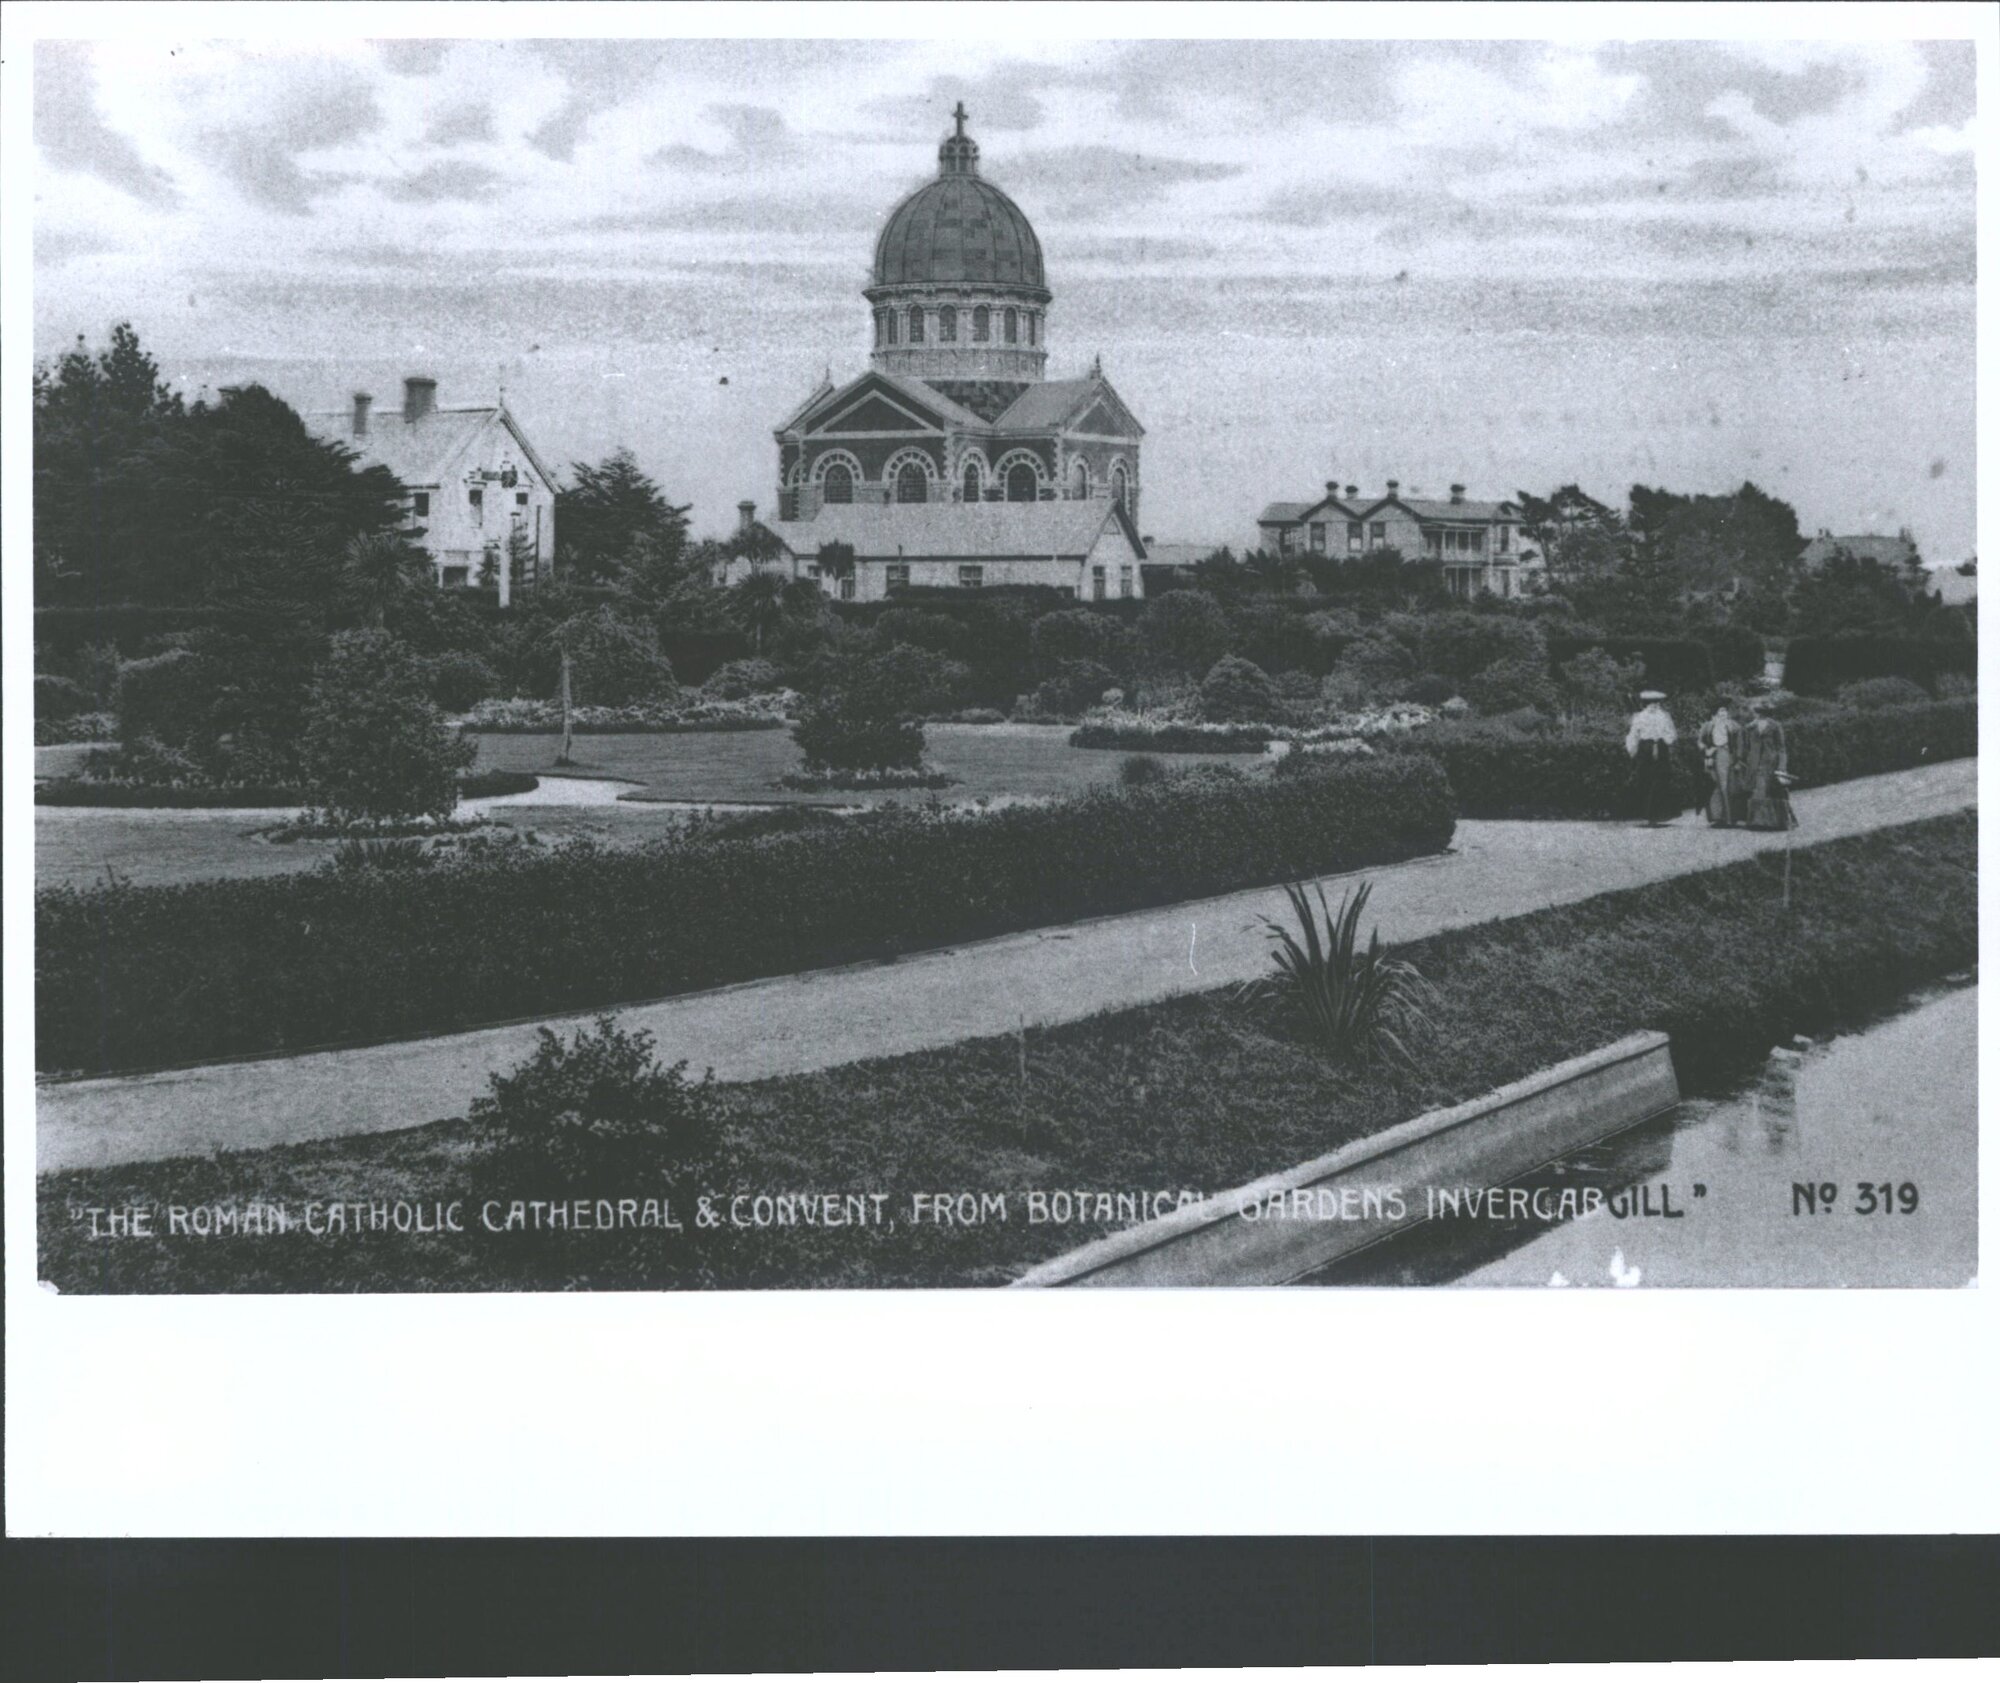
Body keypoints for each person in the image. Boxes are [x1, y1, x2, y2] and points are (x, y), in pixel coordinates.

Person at [1624, 689, 1679, 826]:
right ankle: (1647, 815)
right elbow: (1634, 734)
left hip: (1660, 748)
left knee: (1660, 779)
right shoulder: (1640, 717)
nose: (1654, 705)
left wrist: (1666, 740)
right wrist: (1633, 749)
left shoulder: (1665, 717)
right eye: (1651, 703)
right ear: (1646, 704)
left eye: (1656, 703)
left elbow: (1671, 732)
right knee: (1645, 779)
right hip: (1645, 749)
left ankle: (1658, 815)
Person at [1741, 699, 1796, 831]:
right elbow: (1746, 747)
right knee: (1759, 790)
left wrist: (1782, 767)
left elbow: (1781, 748)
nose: (1760, 714)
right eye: (1759, 711)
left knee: (1774, 792)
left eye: (1763, 712)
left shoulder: (1775, 726)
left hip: (1771, 763)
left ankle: (1780, 821)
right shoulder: (1750, 727)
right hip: (1754, 763)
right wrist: (1746, 761)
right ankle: (1759, 822)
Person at [1702, 701, 1745, 827]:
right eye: (1720, 711)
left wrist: (1737, 759)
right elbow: (1702, 742)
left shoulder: (1734, 726)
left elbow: (1740, 744)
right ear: (1715, 713)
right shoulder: (1709, 726)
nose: (1723, 713)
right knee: (1718, 787)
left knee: (1730, 787)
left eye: (1725, 711)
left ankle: (1731, 818)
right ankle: (1719, 817)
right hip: (1715, 757)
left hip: (1729, 756)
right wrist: (1707, 752)